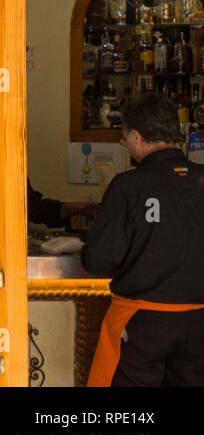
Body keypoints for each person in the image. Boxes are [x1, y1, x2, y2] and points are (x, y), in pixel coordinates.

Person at [81, 93, 204, 386]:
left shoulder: (128, 186)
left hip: (141, 322)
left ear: (135, 137)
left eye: (125, 138)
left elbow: (98, 261)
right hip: (198, 323)